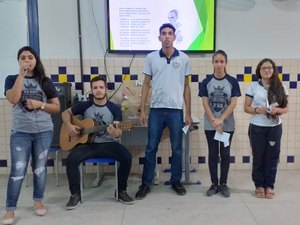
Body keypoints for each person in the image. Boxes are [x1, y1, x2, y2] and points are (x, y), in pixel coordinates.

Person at [2, 46, 60, 225]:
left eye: (30, 57)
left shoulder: (45, 81)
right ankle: (10, 210)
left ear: (36, 60)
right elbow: (12, 99)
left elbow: (56, 107)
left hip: (43, 131)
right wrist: (21, 75)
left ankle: (38, 201)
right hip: (20, 133)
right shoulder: (11, 79)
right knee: (18, 169)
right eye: (23, 58)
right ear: (18, 61)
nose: (27, 60)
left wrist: (40, 104)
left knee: (40, 168)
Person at [135, 23, 192, 200]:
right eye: (163, 34)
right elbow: (145, 84)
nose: (167, 36)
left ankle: (176, 181)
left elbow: (187, 87)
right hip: (156, 111)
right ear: (159, 37)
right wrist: (143, 110)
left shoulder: (184, 59)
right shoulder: (151, 58)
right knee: (151, 148)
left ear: (174, 37)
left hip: (176, 111)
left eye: (170, 33)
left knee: (176, 148)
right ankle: (146, 183)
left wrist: (188, 112)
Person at [62, 76, 135, 209]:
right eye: (95, 88)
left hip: (109, 144)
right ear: (91, 90)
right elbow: (65, 113)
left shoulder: (114, 108)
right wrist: (69, 125)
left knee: (126, 157)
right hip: (88, 145)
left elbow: (119, 131)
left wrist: (114, 132)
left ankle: (121, 191)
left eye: (101, 87)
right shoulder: (84, 106)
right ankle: (75, 195)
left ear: (106, 89)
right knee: (71, 160)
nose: (98, 90)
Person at [199, 50, 241, 197]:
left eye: (222, 61)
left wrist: (221, 120)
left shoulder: (232, 81)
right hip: (210, 125)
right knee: (212, 154)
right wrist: (214, 121)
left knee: (224, 154)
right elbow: (205, 103)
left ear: (226, 63)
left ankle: (223, 184)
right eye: (216, 61)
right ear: (212, 63)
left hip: (227, 126)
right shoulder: (206, 82)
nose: (219, 64)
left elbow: (233, 103)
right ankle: (213, 184)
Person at [244, 58, 288, 199]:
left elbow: (286, 108)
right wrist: (258, 110)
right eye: (264, 68)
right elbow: (246, 107)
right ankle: (259, 186)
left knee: (272, 157)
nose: (267, 70)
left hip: (274, 127)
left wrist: (277, 111)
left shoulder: (281, 87)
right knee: (258, 157)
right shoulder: (253, 87)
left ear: (274, 70)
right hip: (257, 127)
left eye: (269, 68)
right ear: (259, 71)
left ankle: (269, 185)